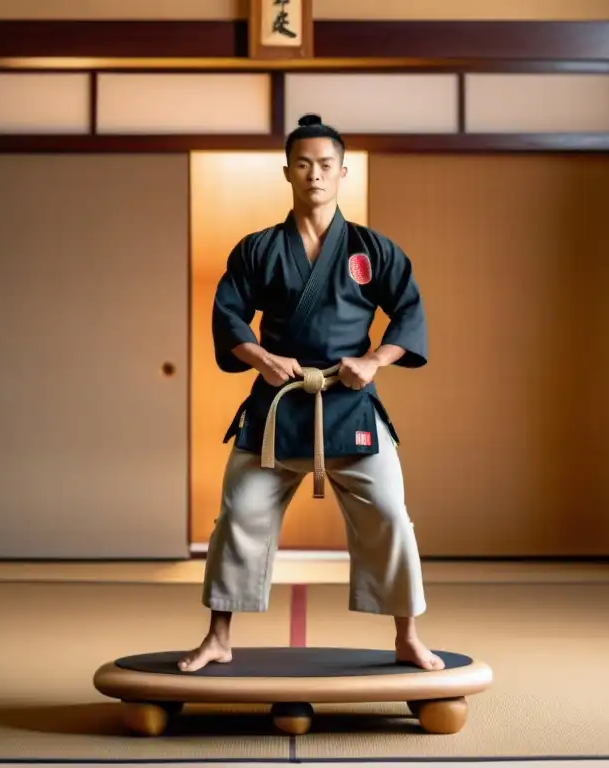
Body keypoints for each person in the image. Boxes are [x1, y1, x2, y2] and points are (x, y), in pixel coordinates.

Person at [179, 113, 443, 673]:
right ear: (287, 172)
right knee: (238, 514)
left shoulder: (372, 249)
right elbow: (229, 316)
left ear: (343, 172)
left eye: (326, 165)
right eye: (304, 165)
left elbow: (410, 313)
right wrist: (261, 358)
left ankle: (407, 635)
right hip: (277, 406)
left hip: (349, 404)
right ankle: (218, 636)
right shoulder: (258, 248)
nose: (315, 175)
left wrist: (373, 361)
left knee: (391, 515)